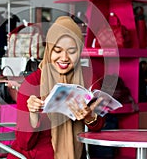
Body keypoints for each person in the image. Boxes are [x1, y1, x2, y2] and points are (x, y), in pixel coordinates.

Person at [8, 16, 105, 159]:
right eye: (57, 50)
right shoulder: (32, 83)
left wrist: (89, 116)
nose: (64, 58)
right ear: (49, 50)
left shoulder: (88, 77)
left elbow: (99, 125)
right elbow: (24, 144)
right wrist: (33, 114)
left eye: (71, 51)